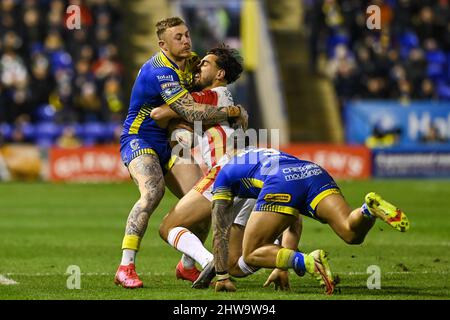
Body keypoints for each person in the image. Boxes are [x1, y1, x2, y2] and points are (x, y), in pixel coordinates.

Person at [114, 17, 247, 289]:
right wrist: (231, 112)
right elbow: (188, 110)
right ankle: (125, 266)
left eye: (186, 34)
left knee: (200, 201)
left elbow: (202, 93)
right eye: (178, 37)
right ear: (162, 44)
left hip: (169, 144)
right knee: (153, 192)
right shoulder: (160, 72)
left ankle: (187, 266)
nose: (186, 40)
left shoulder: (191, 62)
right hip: (140, 138)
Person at [196, 147, 409, 294]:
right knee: (350, 232)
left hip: (280, 181)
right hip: (312, 171)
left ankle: (309, 261)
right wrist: (280, 267)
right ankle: (367, 210)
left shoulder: (223, 175)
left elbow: (220, 229)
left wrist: (222, 276)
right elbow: (293, 219)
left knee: (251, 253)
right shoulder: (265, 153)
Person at [155, 45, 261, 285]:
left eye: (205, 63)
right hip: (249, 174)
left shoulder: (210, 96)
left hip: (226, 172)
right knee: (234, 261)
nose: (199, 67)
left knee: (168, 227)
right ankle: (293, 260)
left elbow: (159, 114)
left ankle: (208, 261)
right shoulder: (225, 102)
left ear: (220, 74)